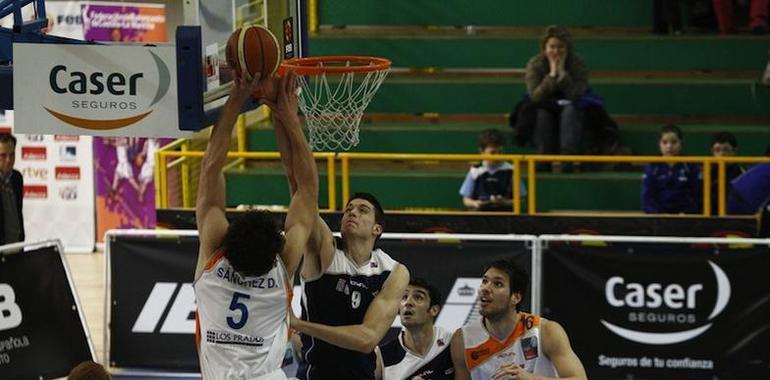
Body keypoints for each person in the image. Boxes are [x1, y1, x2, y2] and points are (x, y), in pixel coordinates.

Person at [194, 70, 318, 380]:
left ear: (228, 240)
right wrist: (288, 116)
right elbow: (306, 189)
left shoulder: (214, 256)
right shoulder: (283, 264)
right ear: (278, 246)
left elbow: (211, 168)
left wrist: (235, 99)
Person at [290, 190, 410, 380]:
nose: (352, 213)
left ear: (377, 229)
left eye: (362, 210)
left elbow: (366, 339)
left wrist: (300, 325)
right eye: (348, 210)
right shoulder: (326, 250)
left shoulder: (393, 272)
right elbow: (304, 199)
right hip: (313, 375)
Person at [449, 260, 587, 380]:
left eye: (497, 284)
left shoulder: (546, 331)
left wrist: (530, 379)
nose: (485, 288)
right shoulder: (462, 339)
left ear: (516, 297)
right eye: (485, 281)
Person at [525, 25, 590, 156]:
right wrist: (551, 76)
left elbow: (576, 94)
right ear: (545, 48)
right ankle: (544, 158)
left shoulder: (578, 64)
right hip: (544, 104)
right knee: (543, 114)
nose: (556, 51)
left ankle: (568, 156)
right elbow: (535, 96)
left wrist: (562, 74)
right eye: (552, 47)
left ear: (567, 49)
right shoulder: (535, 64)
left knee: (570, 112)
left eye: (560, 47)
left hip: (571, 104)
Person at [375, 277, 454, 380]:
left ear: (434, 310)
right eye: (404, 297)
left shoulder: (451, 343)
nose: (408, 302)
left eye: (418, 297)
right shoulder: (382, 356)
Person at [459, 129, 526, 211]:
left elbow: (521, 200)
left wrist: (505, 202)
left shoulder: (511, 170)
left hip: (505, 214)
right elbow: (466, 200)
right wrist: (475, 203)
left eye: (500, 152)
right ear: (481, 152)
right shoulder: (475, 170)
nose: (497, 156)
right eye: (492, 153)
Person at [641, 125, 703, 214]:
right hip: (658, 217)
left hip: (685, 217)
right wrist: (657, 214)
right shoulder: (652, 167)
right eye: (665, 142)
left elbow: (697, 195)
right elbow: (647, 198)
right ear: (659, 144)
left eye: (674, 142)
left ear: (681, 143)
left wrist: (688, 213)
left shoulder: (691, 166)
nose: (669, 146)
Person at [709, 132, 744, 210]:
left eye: (726, 150)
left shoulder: (741, 174)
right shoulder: (707, 173)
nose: (721, 154)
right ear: (712, 151)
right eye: (717, 150)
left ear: (734, 151)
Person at [0, 133, 24, 245]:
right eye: (3, 155)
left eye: (12, 155)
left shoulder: (17, 178)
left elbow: (18, 213)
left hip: (16, 247)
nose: (8, 160)